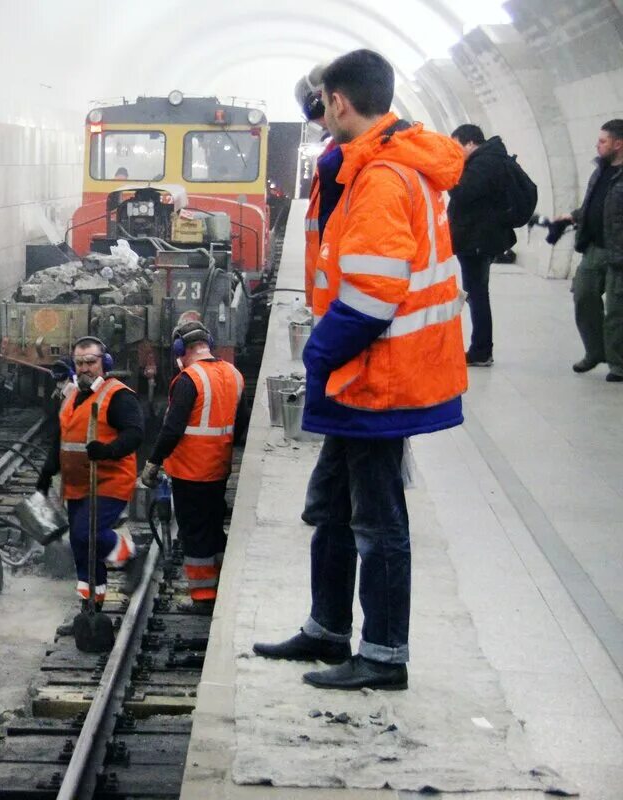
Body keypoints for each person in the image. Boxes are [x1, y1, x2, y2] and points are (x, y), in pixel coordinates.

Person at [253, 49, 467, 691]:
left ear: (339, 101)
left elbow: (373, 294)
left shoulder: (381, 176)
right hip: (367, 371)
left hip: (378, 373)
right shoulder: (381, 161)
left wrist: (319, 353)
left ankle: (382, 655)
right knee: (333, 504)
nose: (320, 115)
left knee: (377, 520)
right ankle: (326, 629)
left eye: (323, 105)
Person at [139, 322, 247, 613]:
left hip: (191, 471)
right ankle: (222, 587)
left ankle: (203, 598)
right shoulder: (234, 374)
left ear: (180, 349)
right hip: (219, 469)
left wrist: (153, 462)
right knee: (213, 528)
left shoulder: (189, 378)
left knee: (194, 533)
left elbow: (172, 428)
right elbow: (241, 425)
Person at [36, 336, 144, 606]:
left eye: (90, 362)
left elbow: (135, 433)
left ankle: (129, 555)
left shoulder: (117, 395)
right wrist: (47, 472)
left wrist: (108, 450)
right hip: (77, 485)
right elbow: (62, 438)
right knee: (81, 546)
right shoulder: (71, 396)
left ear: (103, 363)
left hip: (109, 480)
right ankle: (90, 605)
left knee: (88, 533)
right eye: (79, 363)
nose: (84, 368)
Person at [553, 119, 623, 382]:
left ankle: (618, 363)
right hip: (594, 248)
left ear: (619, 144)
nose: (598, 145)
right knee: (583, 298)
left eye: (603, 141)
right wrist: (573, 216)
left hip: (619, 254)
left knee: (617, 311)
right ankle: (595, 352)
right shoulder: (600, 171)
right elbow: (594, 205)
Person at [448, 124, 522, 367]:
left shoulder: (483, 163)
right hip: (476, 237)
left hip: (477, 240)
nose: (456, 152)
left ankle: (481, 350)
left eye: (458, 146)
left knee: (477, 294)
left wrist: (448, 175)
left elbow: (463, 193)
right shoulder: (487, 159)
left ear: (470, 143)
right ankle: (481, 348)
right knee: (477, 293)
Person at [296, 63, 343, 308]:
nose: (326, 130)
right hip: (328, 298)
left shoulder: (349, 163)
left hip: (341, 308)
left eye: (324, 123)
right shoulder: (335, 158)